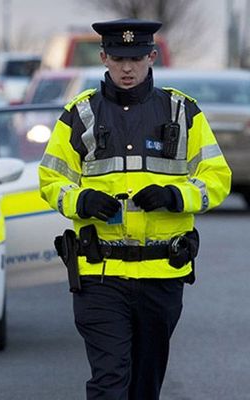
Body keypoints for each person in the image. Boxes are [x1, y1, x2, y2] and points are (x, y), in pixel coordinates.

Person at [38, 18, 231, 400]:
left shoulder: (182, 112)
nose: (128, 68)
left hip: (161, 275)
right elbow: (50, 180)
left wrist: (176, 196)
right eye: (120, 58)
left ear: (152, 57)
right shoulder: (80, 115)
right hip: (100, 276)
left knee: (145, 386)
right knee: (109, 383)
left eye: (138, 58)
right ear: (104, 58)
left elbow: (216, 178)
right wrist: (81, 200)